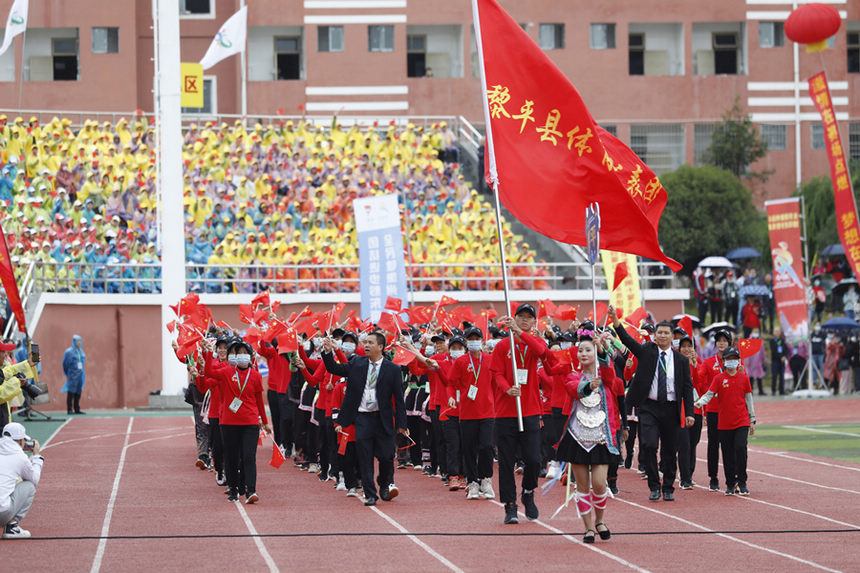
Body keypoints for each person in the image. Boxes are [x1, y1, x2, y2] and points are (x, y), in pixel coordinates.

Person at [610, 305, 694, 502]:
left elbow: (687, 387)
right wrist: (615, 322)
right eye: (660, 332)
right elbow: (628, 341)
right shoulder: (647, 351)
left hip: (672, 409)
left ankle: (668, 488)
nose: (663, 336)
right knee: (648, 445)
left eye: (666, 333)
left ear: (672, 337)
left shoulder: (681, 360)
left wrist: (689, 412)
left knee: (669, 451)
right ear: (655, 335)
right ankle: (654, 486)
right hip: (649, 407)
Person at [321, 331, 408, 506]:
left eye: (370, 343)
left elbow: (399, 399)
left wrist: (401, 424)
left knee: (386, 457)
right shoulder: (357, 363)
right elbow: (334, 369)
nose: (366, 345)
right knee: (365, 457)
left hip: (382, 419)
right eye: (365, 342)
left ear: (380, 347)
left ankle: (384, 483)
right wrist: (328, 352)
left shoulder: (393, 369)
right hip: (362, 419)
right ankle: (370, 494)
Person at [555, 331, 624, 543]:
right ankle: (588, 528)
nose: (583, 354)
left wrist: (602, 349)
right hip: (577, 437)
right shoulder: (573, 376)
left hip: (601, 438)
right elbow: (573, 389)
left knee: (600, 484)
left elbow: (611, 377)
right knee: (582, 486)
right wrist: (588, 386)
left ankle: (600, 520)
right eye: (580, 350)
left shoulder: (605, 377)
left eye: (588, 350)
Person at [490, 304, 556, 524]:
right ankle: (510, 505)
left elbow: (542, 352)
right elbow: (497, 373)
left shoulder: (536, 342)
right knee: (506, 461)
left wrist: (519, 332)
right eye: (521, 317)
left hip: (530, 409)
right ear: (515, 318)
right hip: (506, 411)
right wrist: (507, 388)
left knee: (534, 458)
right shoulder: (502, 346)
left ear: (534, 322)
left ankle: (528, 491)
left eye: (529, 317)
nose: (525, 320)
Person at [202, 339, 271, 503]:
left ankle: (251, 490)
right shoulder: (227, 372)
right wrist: (208, 353)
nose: (241, 356)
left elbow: (259, 401)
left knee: (249, 456)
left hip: (250, 423)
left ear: (250, 356)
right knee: (231, 457)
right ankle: (233, 490)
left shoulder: (255, 375)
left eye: (244, 353)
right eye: (238, 353)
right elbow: (209, 372)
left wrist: (265, 422)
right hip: (229, 422)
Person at [694, 347, 756, 496]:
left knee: (740, 448)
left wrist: (752, 418)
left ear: (738, 361)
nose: (732, 361)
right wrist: (699, 403)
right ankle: (730, 484)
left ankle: (742, 482)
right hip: (724, 422)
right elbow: (709, 394)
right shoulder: (719, 379)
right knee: (727, 454)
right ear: (724, 361)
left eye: (734, 358)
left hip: (741, 421)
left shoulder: (744, 378)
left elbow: (749, 399)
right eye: (729, 359)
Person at [446, 326, 496, 500]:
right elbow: (451, 383)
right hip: (467, 412)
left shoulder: (490, 359)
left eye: (477, 338)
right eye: (471, 339)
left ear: (482, 340)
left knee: (487, 446)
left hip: (488, 411)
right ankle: (472, 482)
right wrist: (451, 397)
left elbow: (497, 383)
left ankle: (486, 479)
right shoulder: (461, 362)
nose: (474, 341)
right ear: (467, 342)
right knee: (469, 449)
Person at [0, 422, 44, 539]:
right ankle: (12, 527)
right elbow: (34, 479)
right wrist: (37, 456)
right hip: (2, 513)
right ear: (20, 441)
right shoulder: (20, 457)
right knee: (29, 486)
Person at [61, 334, 86, 414]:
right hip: (72, 374)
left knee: (78, 391)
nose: (79, 342)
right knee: (71, 392)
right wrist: (68, 373)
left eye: (80, 341)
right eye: (78, 341)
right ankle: (69, 409)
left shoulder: (81, 351)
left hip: (80, 374)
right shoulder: (69, 352)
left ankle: (77, 408)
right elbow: (65, 363)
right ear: (74, 341)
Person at [744, 328, 767, 396]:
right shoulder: (748, 341)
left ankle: (760, 391)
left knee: (759, 376)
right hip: (751, 361)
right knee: (750, 377)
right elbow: (746, 351)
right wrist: (747, 360)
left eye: (757, 332)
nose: (756, 333)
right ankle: (750, 391)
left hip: (758, 361)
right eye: (755, 331)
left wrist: (764, 360)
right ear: (752, 332)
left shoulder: (760, 341)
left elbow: (762, 352)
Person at [769, 327, 788, 396]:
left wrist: (784, 356)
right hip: (775, 361)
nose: (777, 333)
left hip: (782, 362)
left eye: (778, 331)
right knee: (774, 376)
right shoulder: (772, 341)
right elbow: (773, 351)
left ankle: (781, 390)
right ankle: (773, 390)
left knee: (782, 376)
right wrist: (781, 357)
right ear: (773, 332)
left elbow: (786, 349)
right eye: (776, 331)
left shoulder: (782, 340)